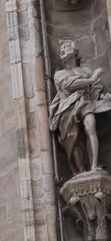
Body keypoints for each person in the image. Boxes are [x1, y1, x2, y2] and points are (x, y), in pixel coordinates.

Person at [49, 39, 111, 174]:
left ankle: (94, 166)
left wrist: (102, 97)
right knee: (74, 138)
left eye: (65, 47)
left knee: (90, 126)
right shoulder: (59, 74)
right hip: (68, 108)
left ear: (74, 50)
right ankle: (81, 171)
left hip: (86, 102)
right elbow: (68, 85)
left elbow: (95, 90)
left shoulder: (86, 70)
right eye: (61, 49)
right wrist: (91, 79)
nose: (62, 50)